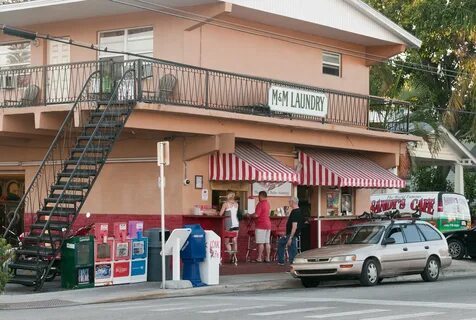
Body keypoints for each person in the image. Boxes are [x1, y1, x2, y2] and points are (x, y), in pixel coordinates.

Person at [278, 196, 304, 265]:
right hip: (289, 234)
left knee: (292, 250)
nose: (289, 203)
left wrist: (290, 237)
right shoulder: (296, 211)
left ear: (293, 202)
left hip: (292, 234)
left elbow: (294, 226)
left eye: (289, 201)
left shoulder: (296, 212)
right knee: (281, 243)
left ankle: (294, 265)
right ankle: (281, 261)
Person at [253, 191, 271, 262]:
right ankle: (268, 258)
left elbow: (256, 215)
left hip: (261, 225)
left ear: (261, 196)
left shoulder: (260, 204)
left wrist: (250, 215)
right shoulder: (267, 204)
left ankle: (259, 258)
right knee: (267, 242)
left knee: (261, 243)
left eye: (258, 196)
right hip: (268, 224)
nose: (258, 198)